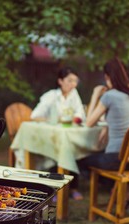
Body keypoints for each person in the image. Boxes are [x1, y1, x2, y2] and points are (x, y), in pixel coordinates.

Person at [78, 58, 129, 199]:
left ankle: (116, 189)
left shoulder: (109, 96)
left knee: (81, 160)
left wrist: (95, 94)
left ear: (107, 77)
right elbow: (125, 117)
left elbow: (89, 122)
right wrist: (108, 126)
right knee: (101, 154)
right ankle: (122, 191)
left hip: (117, 160)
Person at [31, 66, 86, 200]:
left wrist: (76, 118)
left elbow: (80, 113)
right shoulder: (51, 96)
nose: (73, 84)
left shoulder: (74, 94)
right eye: (70, 80)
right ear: (60, 81)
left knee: (72, 149)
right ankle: (54, 189)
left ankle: (73, 188)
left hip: (68, 134)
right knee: (57, 152)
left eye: (75, 81)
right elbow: (35, 115)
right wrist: (53, 119)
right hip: (51, 136)